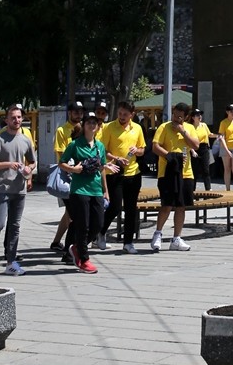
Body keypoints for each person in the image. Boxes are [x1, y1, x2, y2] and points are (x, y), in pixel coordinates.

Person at [0, 105, 36, 275]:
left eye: (19, 117)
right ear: (6, 120)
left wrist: (29, 169)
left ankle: (11, 261)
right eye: (13, 118)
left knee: (15, 225)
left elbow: (32, 162)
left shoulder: (25, 139)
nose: (16, 120)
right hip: (2, 187)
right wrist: (8, 164)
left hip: (19, 188)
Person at [59, 111, 108, 273]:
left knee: (99, 223)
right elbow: (62, 163)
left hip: (96, 190)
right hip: (79, 190)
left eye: (95, 123)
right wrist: (74, 169)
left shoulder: (100, 146)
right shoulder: (75, 144)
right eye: (89, 123)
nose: (92, 125)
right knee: (83, 225)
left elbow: (101, 169)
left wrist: (105, 190)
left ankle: (77, 249)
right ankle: (84, 259)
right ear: (84, 125)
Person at [150, 102, 199, 251]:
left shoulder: (189, 128)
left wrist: (183, 131)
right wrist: (169, 156)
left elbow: (196, 145)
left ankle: (176, 238)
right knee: (167, 204)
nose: (176, 119)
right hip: (167, 172)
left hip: (186, 172)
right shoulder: (164, 127)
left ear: (186, 117)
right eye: (175, 115)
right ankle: (158, 234)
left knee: (181, 206)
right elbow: (155, 146)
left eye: (180, 117)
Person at [99, 100, 146, 253]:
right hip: (114, 171)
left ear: (132, 114)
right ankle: (100, 232)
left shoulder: (137, 128)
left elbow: (142, 150)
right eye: (120, 113)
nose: (122, 117)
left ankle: (128, 242)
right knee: (115, 206)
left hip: (133, 172)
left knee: (131, 208)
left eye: (125, 114)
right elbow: (102, 150)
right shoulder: (109, 127)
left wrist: (136, 150)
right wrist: (116, 158)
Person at [50, 102, 84, 252]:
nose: (78, 114)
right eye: (75, 111)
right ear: (69, 113)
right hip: (66, 176)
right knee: (74, 213)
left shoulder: (84, 128)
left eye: (80, 111)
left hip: (81, 176)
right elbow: (60, 155)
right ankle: (71, 247)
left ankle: (56, 242)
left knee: (69, 213)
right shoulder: (62, 130)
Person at [188, 107, 217, 192]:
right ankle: (192, 190)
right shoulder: (191, 127)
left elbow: (209, 134)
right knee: (195, 170)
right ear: (193, 117)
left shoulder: (204, 125)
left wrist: (217, 135)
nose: (200, 116)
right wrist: (192, 151)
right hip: (195, 148)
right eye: (197, 115)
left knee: (206, 170)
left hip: (204, 148)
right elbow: (188, 141)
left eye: (200, 114)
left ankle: (208, 188)